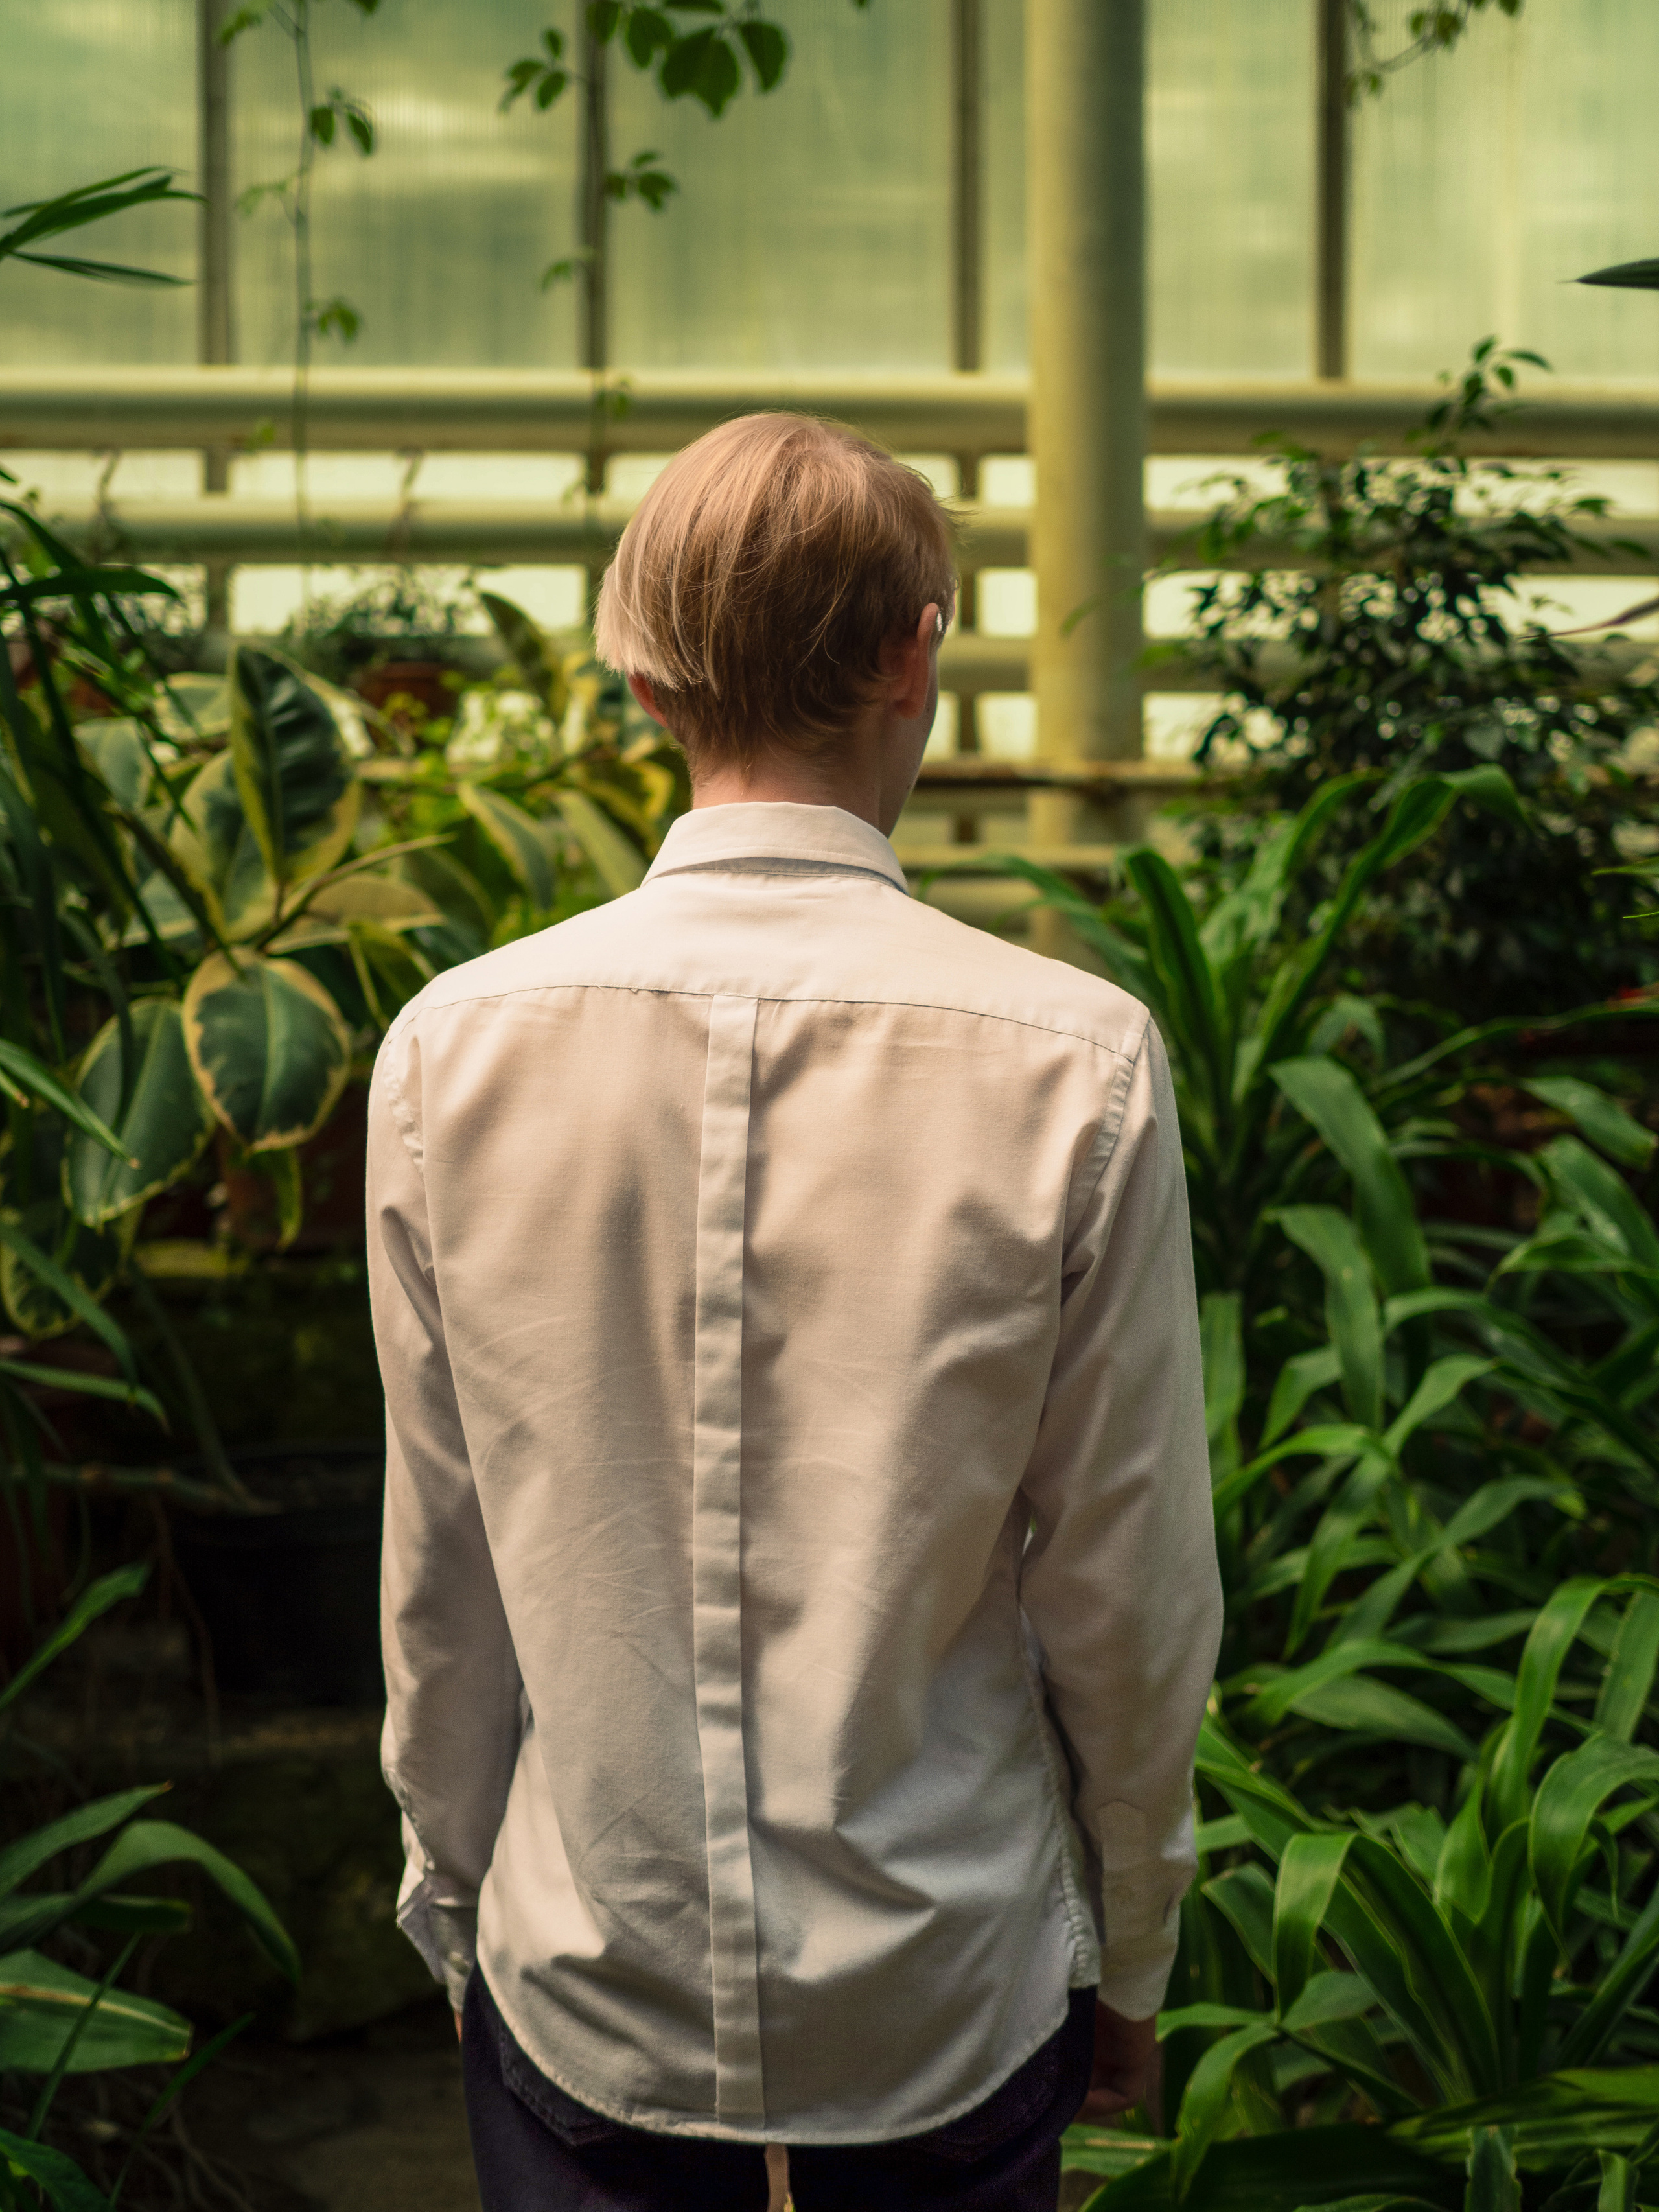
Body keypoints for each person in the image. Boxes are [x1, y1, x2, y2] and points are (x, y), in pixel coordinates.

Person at [369, 412, 1223, 2212]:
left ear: (640, 672)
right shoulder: (1077, 1065)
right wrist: (1132, 1949)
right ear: (919, 651)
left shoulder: (455, 1052)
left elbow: (442, 1563)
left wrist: (454, 1902)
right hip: (952, 1986)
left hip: (581, 1972)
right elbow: (1127, 1593)